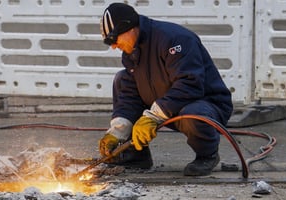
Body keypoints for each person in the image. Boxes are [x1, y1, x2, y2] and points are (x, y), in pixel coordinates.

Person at [97, 3, 233, 176]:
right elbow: (129, 96)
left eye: (114, 39)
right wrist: (118, 131)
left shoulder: (174, 39)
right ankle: (136, 156)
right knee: (122, 79)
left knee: (194, 112)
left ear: (130, 28)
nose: (114, 46)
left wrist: (153, 116)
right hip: (168, 106)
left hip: (206, 105)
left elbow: (190, 84)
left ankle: (207, 155)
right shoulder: (131, 52)